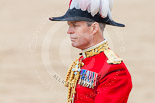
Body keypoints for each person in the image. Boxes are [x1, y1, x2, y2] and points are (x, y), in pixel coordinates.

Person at [49, 0, 132, 103]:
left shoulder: (114, 70)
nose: (69, 31)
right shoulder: (83, 60)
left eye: (75, 25)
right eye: (69, 25)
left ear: (94, 28)